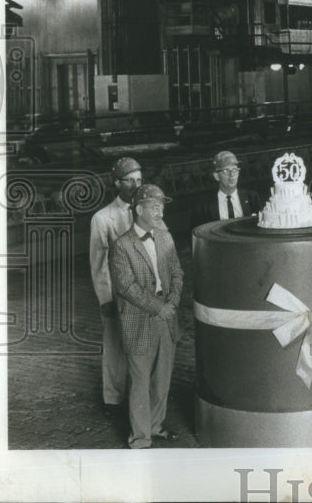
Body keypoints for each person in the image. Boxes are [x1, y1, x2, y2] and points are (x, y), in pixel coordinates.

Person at [109, 184, 183, 449]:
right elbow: (126, 287)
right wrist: (158, 307)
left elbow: (176, 273)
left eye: (161, 206)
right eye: (154, 207)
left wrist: (172, 301)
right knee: (140, 380)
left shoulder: (165, 237)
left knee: (162, 377)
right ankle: (140, 438)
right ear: (138, 210)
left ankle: (155, 426)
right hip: (139, 319)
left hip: (166, 316)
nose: (160, 212)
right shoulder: (122, 246)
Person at [89, 156, 142, 417]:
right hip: (117, 293)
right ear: (117, 182)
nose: (135, 185)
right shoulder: (102, 219)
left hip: (142, 293)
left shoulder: (147, 212)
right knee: (115, 345)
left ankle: (140, 395)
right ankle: (113, 399)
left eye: (139, 180)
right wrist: (106, 299)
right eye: (130, 180)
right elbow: (99, 264)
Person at [191, 150, 262, 228]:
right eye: (226, 171)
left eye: (234, 170)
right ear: (216, 176)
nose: (231, 175)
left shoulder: (252, 198)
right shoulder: (203, 205)